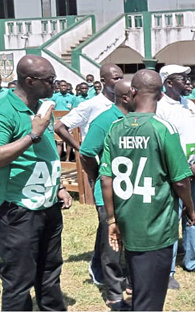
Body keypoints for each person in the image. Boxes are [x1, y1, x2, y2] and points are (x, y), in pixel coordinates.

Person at [100, 69, 195, 311]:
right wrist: (190, 208)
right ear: (161, 95)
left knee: (140, 288)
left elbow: (105, 178)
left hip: (127, 221)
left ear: (132, 92)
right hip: (156, 225)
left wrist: (111, 218)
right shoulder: (164, 128)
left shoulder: (115, 128)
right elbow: (181, 181)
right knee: (150, 300)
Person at [0, 55, 72, 311]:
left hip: (48, 205)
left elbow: (47, 151)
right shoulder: (4, 109)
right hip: (18, 209)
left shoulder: (41, 107)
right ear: (29, 81)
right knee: (18, 281)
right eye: (50, 80)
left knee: (51, 272)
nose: (55, 84)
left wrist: (60, 186)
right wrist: (33, 134)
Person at [54, 63, 123, 284]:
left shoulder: (125, 104)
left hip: (120, 172)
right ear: (103, 80)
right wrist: (79, 148)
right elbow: (60, 126)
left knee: (110, 222)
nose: (119, 81)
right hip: (97, 166)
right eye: (114, 78)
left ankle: (106, 265)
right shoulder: (93, 104)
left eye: (121, 77)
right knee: (106, 220)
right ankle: (99, 270)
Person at [79, 80, 132, 311]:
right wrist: (96, 177)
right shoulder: (104, 121)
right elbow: (87, 152)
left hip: (130, 191)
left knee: (127, 239)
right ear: (126, 98)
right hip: (108, 192)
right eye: (135, 92)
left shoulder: (134, 119)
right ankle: (113, 292)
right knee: (112, 243)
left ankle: (127, 281)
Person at [155, 65, 195, 285]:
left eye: (189, 77)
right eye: (183, 78)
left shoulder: (191, 105)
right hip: (173, 176)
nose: (189, 82)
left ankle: (192, 260)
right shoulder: (160, 108)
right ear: (169, 83)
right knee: (171, 220)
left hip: (194, 173)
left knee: (193, 216)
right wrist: (186, 169)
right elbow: (162, 145)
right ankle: (167, 271)